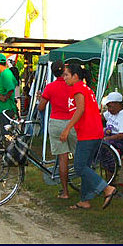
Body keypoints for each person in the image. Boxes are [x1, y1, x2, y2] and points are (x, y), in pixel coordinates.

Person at [60, 63, 117, 210]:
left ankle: (106, 188)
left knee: (79, 167)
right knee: (86, 166)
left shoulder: (78, 89)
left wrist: (67, 128)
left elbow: (80, 110)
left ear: (75, 76)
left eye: (66, 75)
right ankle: (85, 200)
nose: (64, 77)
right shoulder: (87, 89)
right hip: (96, 132)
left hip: (88, 134)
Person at [38, 61, 77, 199]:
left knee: (63, 158)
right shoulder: (73, 85)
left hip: (56, 123)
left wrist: (39, 99)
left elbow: (41, 108)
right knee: (79, 155)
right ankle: (86, 187)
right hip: (73, 123)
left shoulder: (50, 87)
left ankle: (65, 191)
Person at [0, 53, 18, 138]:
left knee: (7, 133)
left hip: (6, 108)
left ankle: (10, 150)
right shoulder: (4, 73)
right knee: (5, 131)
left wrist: (5, 97)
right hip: (2, 108)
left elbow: (11, 88)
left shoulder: (6, 74)